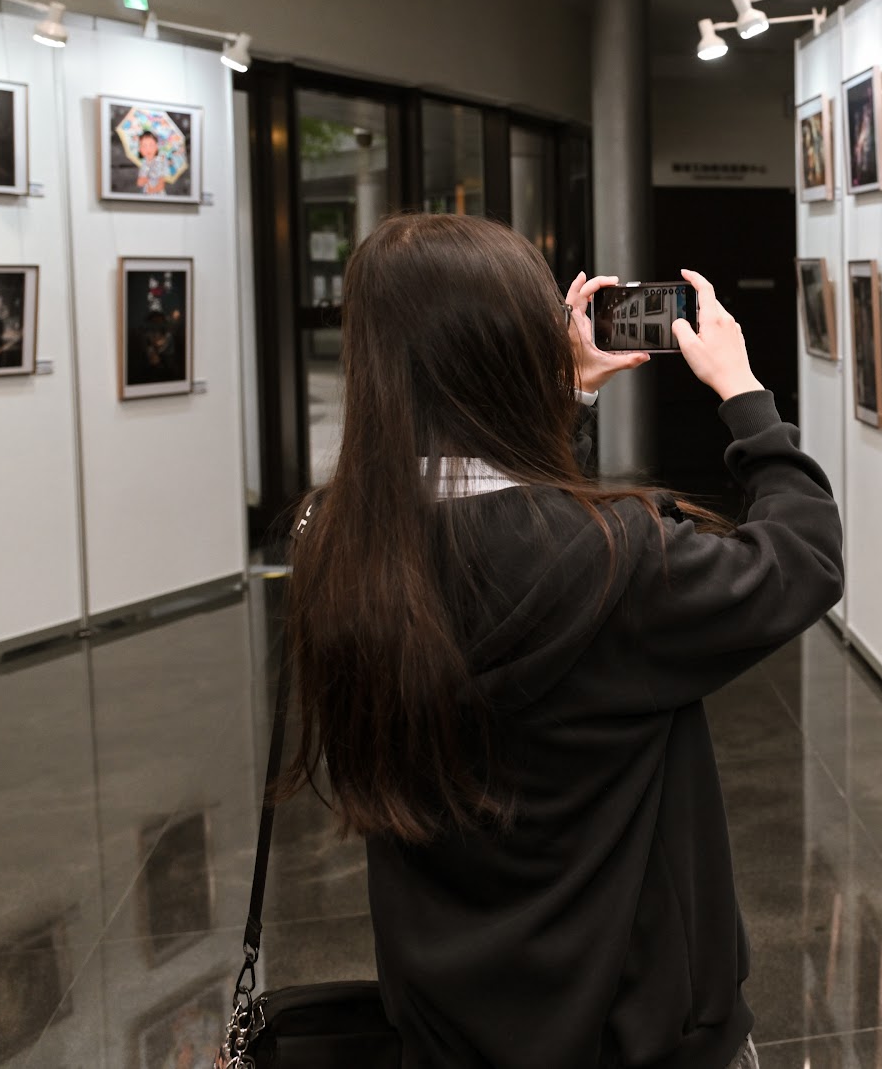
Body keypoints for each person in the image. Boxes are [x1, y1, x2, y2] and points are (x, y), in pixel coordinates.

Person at [277, 213, 844, 1069]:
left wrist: (567, 403)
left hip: (447, 1026)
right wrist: (744, 393)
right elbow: (803, 558)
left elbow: (495, 521)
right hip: (634, 1028)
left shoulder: (333, 547)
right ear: (506, 355)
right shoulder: (619, 561)